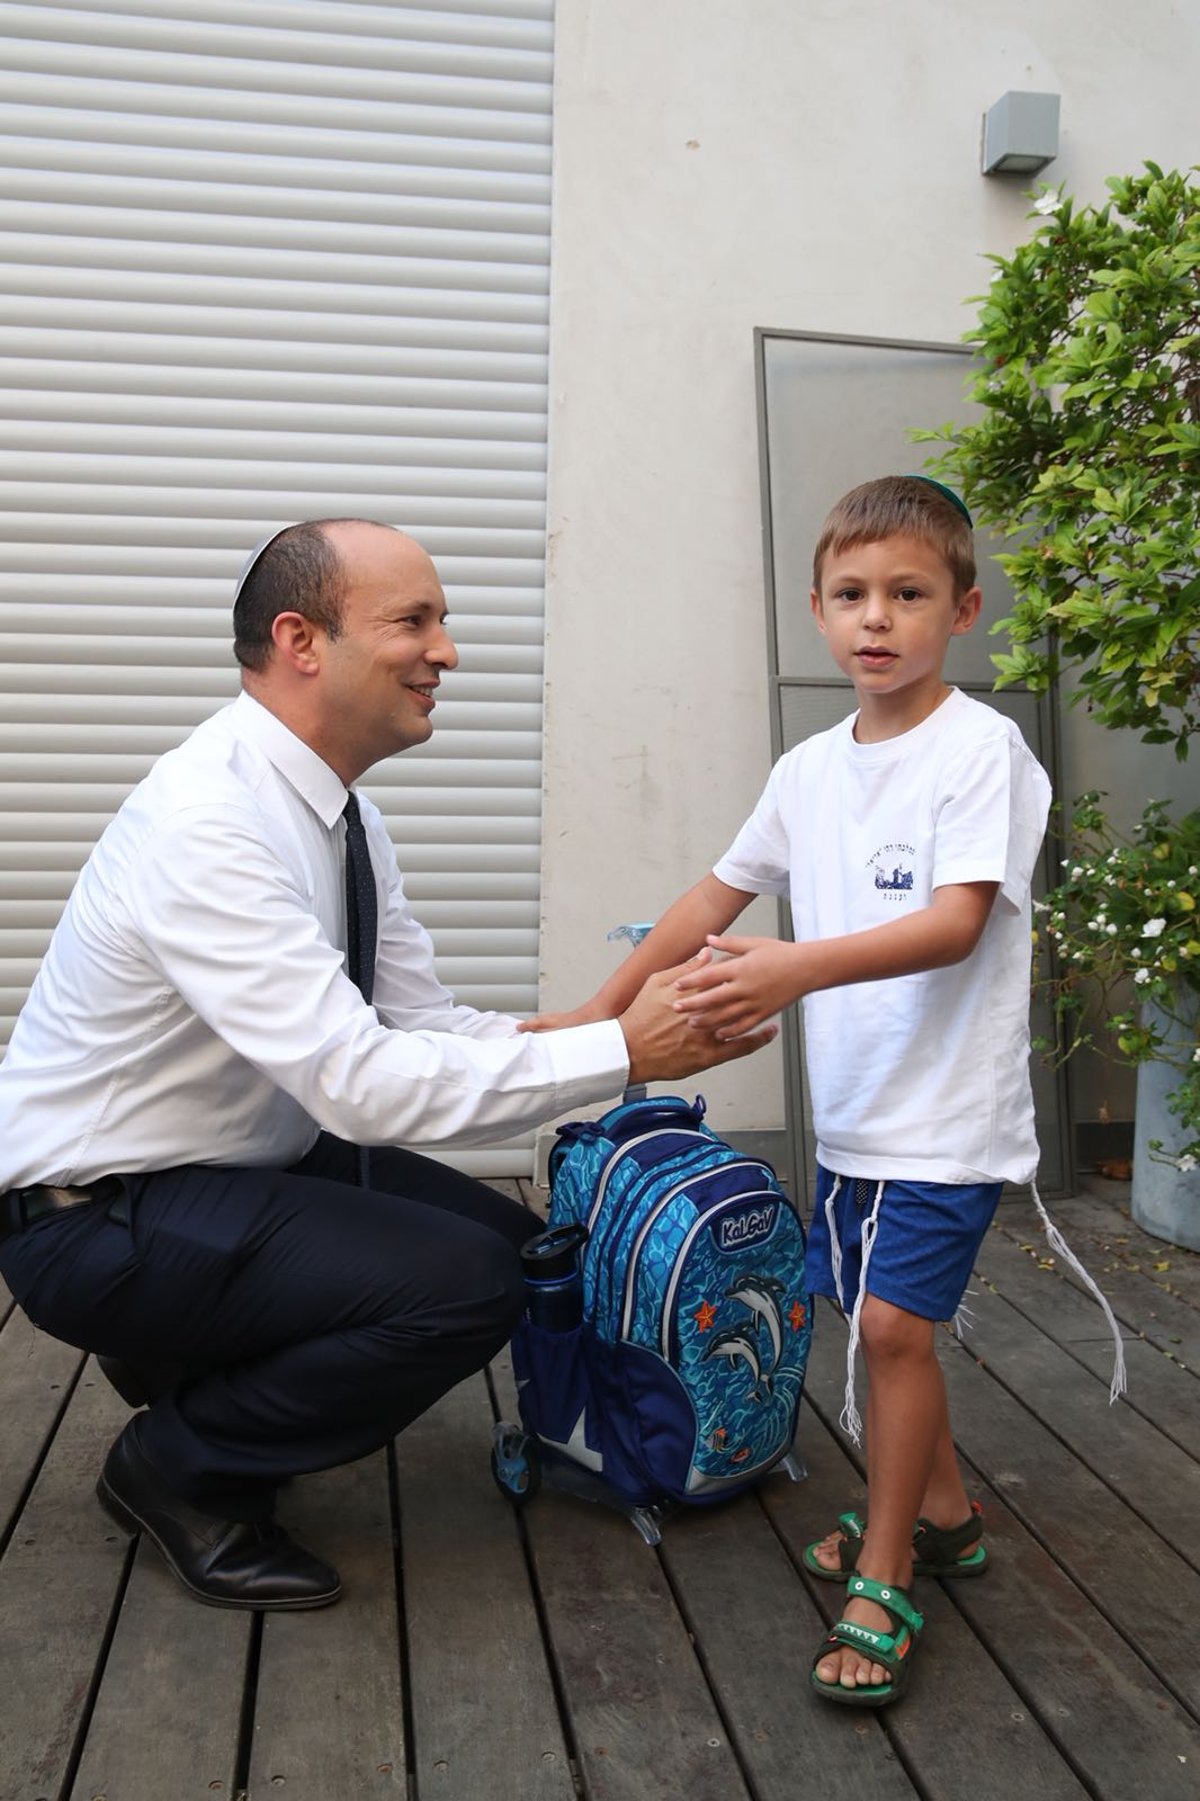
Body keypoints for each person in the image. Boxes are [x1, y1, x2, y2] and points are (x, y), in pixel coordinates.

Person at [0, 518, 774, 1614]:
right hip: (94, 1218)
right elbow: (364, 1085)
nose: (447, 650)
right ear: (300, 639)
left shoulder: (340, 813)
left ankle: (197, 1372)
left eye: (442, 621)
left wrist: (593, 1023)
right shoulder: (210, 821)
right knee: (466, 1284)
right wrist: (626, 1050)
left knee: (515, 1245)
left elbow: (418, 1022)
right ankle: (179, 1467)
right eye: (413, 620)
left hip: (229, 1168)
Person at [523, 474, 1081, 1707]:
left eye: (907, 594)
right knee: (879, 1322)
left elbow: (953, 923)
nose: (875, 618)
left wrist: (790, 968)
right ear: (818, 610)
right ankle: (940, 1510)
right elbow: (708, 902)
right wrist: (598, 1011)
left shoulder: (982, 750)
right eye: (850, 594)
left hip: (949, 1113)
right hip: (856, 1110)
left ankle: (885, 1573)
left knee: (889, 1328)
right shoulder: (807, 769)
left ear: (964, 608)